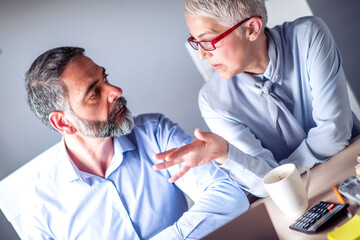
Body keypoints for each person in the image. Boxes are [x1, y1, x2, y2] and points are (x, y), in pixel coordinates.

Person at [20, 46, 249, 240]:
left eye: (105, 79)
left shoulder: (154, 132)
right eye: (94, 93)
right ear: (63, 122)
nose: (116, 91)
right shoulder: (39, 206)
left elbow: (229, 196)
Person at [153, 0, 360, 197]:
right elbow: (262, 186)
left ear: (252, 28)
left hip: (353, 164)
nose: (201, 55)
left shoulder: (308, 36)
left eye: (207, 41)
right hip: (299, 197)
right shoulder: (212, 100)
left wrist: (277, 174)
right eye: (195, 42)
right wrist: (226, 153)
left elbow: (334, 133)